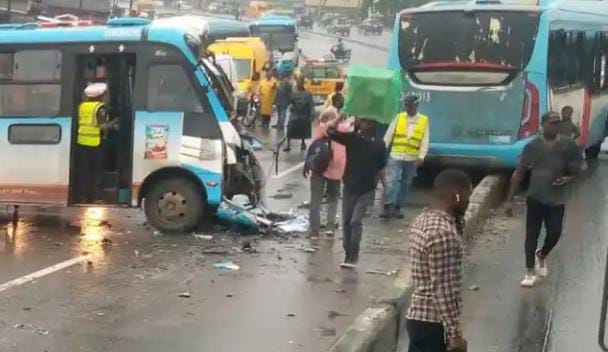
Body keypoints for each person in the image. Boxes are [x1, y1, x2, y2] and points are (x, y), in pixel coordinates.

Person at [505, 111, 585, 288]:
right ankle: (529, 271)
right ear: (543, 125)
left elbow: (580, 166)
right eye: (551, 123)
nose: (555, 126)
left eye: (557, 123)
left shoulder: (568, 145)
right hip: (536, 196)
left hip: (557, 198)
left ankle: (542, 254)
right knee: (531, 234)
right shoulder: (532, 146)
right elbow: (519, 172)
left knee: (554, 233)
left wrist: (568, 178)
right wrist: (509, 200)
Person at [406, 169, 471, 352]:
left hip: (419, 317)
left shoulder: (423, 220)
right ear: (456, 195)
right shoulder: (443, 233)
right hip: (435, 323)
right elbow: (443, 289)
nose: (468, 201)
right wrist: (455, 335)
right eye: (467, 195)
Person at [326, 116, 386, 268]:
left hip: (367, 190)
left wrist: (386, 187)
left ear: (374, 124)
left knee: (355, 221)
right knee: (346, 222)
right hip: (349, 187)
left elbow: (381, 168)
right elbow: (330, 131)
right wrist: (341, 116)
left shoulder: (379, 144)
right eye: (364, 121)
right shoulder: (352, 139)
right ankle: (348, 253)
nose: (367, 124)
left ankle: (354, 254)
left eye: (370, 121)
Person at [381, 94, 430, 219]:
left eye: (410, 106)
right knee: (391, 181)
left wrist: (421, 157)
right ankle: (387, 206)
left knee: (406, 183)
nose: (407, 108)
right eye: (406, 105)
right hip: (396, 155)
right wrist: (381, 150)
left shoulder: (423, 120)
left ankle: (397, 207)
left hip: (412, 158)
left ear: (416, 105)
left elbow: (425, 140)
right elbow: (389, 135)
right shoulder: (399, 117)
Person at [305, 100, 349, 238]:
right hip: (337, 170)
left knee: (316, 199)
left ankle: (314, 230)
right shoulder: (344, 130)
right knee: (333, 199)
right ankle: (329, 227)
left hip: (320, 168)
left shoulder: (322, 128)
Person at [76, 82, 115, 203]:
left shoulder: (82, 106)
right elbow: (102, 126)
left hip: (82, 141)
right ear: (101, 95)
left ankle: (83, 196)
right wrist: (113, 124)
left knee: (85, 170)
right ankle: (97, 197)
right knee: (97, 171)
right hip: (95, 142)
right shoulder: (100, 108)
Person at [284, 76, 314, 152]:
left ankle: (289, 145)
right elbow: (311, 105)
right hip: (302, 115)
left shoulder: (294, 94)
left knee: (291, 130)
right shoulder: (307, 94)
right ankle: (302, 143)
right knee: (301, 131)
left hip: (296, 115)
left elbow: (289, 102)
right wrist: (312, 114)